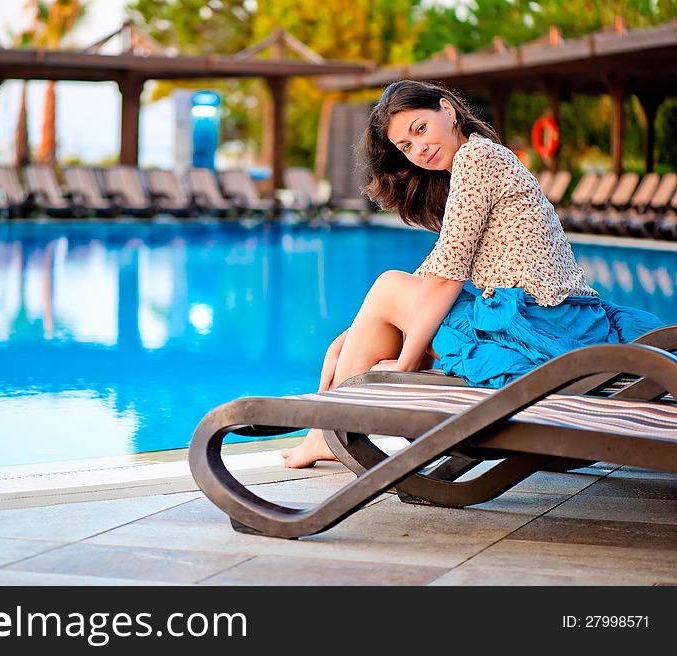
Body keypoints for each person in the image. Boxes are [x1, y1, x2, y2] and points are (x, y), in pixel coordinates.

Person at [281, 79, 663, 469]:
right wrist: (346, 339)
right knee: (390, 292)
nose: (420, 149)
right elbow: (434, 270)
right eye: (406, 147)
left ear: (447, 110)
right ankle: (324, 434)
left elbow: (445, 279)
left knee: (386, 285)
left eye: (420, 129)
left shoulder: (475, 159)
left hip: (543, 328)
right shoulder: (481, 159)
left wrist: (405, 365)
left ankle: (325, 434)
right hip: (559, 323)